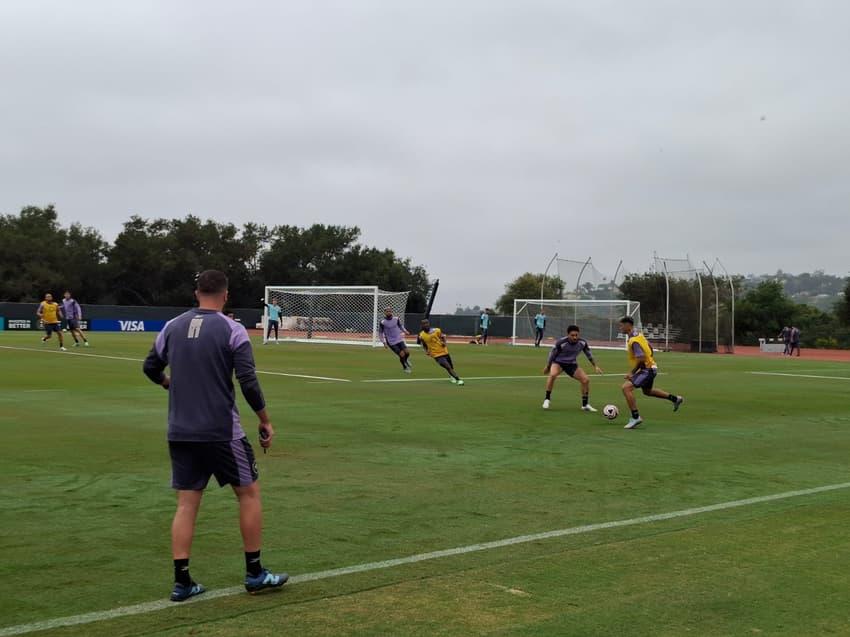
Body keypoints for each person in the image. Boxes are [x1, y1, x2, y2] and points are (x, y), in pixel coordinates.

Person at [143, 270, 287, 602]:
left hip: (180, 430)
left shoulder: (172, 326)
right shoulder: (232, 329)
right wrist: (265, 420)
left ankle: (182, 582)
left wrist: (169, 384)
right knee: (248, 494)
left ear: (197, 293)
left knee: (186, 505)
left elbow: (150, 367)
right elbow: (248, 381)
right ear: (225, 295)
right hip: (222, 432)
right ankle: (254, 574)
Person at [618, 316, 684, 429]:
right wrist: (650, 361)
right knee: (647, 391)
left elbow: (641, 358)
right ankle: (675, 399)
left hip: (646, 370)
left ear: (628, 325)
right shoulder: (638, 335)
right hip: (651, 367)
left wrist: (632, 372)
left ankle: (635, 417)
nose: (620, 328)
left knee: (626, 388)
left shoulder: (634, 341)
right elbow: (650, 348)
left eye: (621, 325)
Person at [542, 325, 603, 411]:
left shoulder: (582, 343)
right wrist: (548, 366)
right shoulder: (561, 342)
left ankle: (585, 405)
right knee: (552, 375)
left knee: (585, 380)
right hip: (558, 363)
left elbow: (588, 354)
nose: (575, 337)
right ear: (568, 335)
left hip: (571, 364)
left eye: (576, 335)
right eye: (572, 335)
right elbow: (552, 354)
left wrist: (595, 366)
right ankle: (547, 399)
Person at [418, 319, 464, 385]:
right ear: (422, 326)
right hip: (436, 354)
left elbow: (443, 337)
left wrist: (444, 343)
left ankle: (451, 376)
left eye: (427, 323)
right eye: (424, 324)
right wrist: (426, 351)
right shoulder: (421, 335)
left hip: (444, 351)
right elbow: (424, 344)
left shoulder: (437, 330)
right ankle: (458, 379)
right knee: (447, 366)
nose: (426, 325)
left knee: (451, 366)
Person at [379, 307, 412, 373]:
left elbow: (400, 326)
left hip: (399, 339)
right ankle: (405, 367)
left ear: (391, 312)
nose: (388, 312)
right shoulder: (383, 322)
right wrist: (384, 342)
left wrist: (405, 331)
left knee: (407, 352)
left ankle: (405, 360)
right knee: (402, 354)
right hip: (391, 342)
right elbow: (380, 333)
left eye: (389, 311)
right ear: (385, 313)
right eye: (387, 311)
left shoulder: (396, 319)